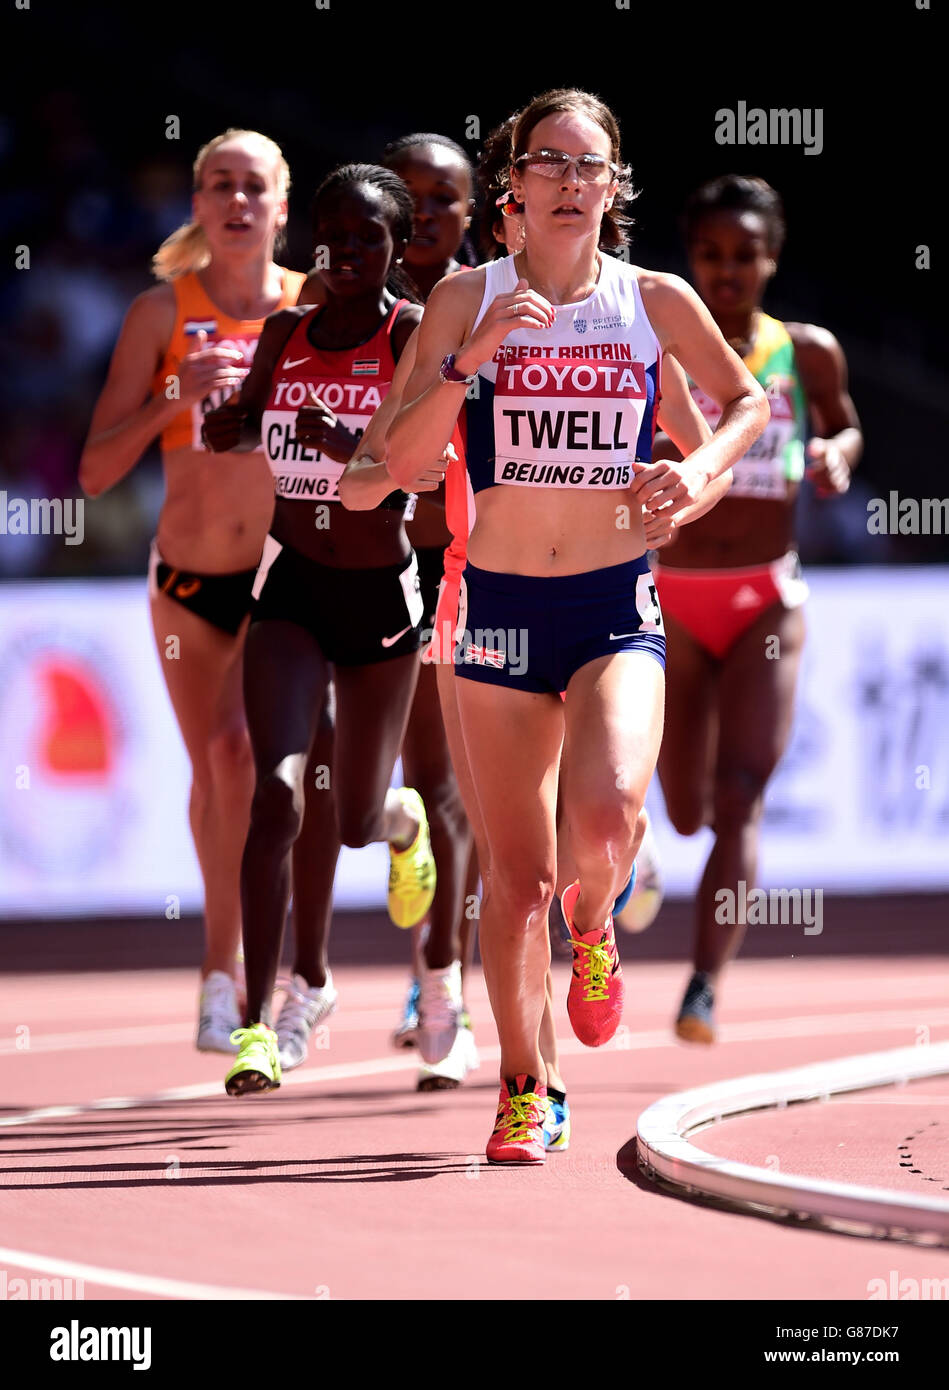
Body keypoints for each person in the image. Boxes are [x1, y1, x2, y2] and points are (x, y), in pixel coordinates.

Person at [387, 89, 769, 1163]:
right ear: (511, 188)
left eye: (587, 166)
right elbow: (400, 464)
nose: (567, 181)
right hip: (497, 609)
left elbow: (742, 405)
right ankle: (526, 1084)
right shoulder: (465, 299)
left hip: (611, 603)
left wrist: (688, 476)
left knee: (598, 827)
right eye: (547, 163)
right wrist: (469, 360)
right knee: (516, 876)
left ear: (612, 189)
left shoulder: (650, 299)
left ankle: (596, 929)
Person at [201, 164, 437, 1095]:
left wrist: (359, 453)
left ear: (396, 247)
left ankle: (401, 821)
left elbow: (433, 467)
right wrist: (227, 422)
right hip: (291, 588)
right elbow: (246, 421)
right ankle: (265, 1021)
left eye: (368, 238)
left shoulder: (411, 332)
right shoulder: (285, 331)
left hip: (380, 596)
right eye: (332, 237)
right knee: (275, 798)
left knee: (349, 824)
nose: (346, 253)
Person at [79, 129, 305, 1053]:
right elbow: (95, 473)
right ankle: (223, 974)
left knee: (250, 759)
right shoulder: (160, 313)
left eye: (255, 186)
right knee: (218, 767)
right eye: (221, 185)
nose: (239, 200)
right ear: (199, 204)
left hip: (285, 580)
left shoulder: (315, 305)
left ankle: (271, 972)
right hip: (186, 584)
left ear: (283, 206)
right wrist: (179, 393)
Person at [651, 175, 862, 1043]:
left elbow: (844, 424)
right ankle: (647, 862)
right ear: (689, 256)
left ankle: (704, 981)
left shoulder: (804, 352)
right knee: (685, 810)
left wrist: (833, 456)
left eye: (744, 255)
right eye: (710, 254)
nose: (727, 271)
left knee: (739, 796)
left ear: (771, 258)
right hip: (667, 595)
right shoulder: (658, 341)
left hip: (762, 597)